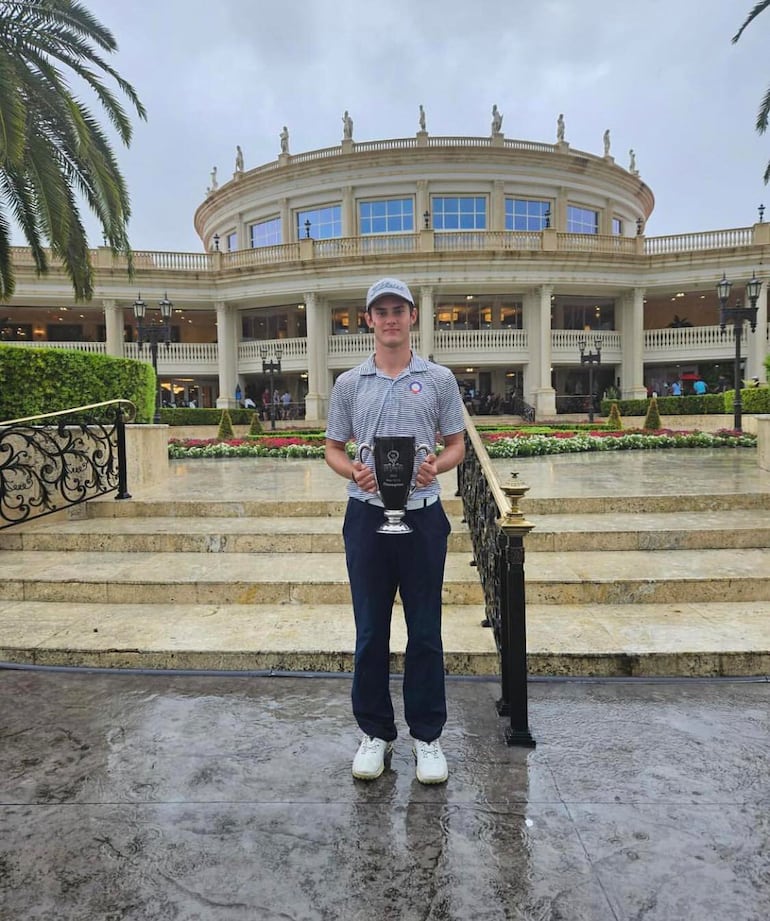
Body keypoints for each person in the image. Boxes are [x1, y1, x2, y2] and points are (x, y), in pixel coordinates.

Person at [325, 277, 465, 785]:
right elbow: (333, 448)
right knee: (370, 631)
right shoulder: (349, 384)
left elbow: (456, 444)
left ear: (412, 316)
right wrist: (354, 471)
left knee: (425, 631)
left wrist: (435, 467)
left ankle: (427, 736)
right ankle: (375, 733)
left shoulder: (439, 379)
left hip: (422, 516)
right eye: (380, 311)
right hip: (367, 516)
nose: (390, 319)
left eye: (398, 310)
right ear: (368, 320)